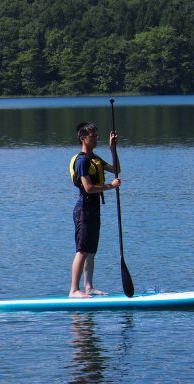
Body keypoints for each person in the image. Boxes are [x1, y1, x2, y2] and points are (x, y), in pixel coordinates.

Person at [69, 122, 121, 298]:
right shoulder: (82, 161)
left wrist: (112, 149)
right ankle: (74, 290)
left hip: (94, 209)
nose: (96, 137)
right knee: (82, 250)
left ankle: (88, 286)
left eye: (97, 134)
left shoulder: (95, 159)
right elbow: (88, 188)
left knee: (91, 250)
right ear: (83, 138)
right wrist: (110, 186)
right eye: (93, 135)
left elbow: (116, 169)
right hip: (83, 209)